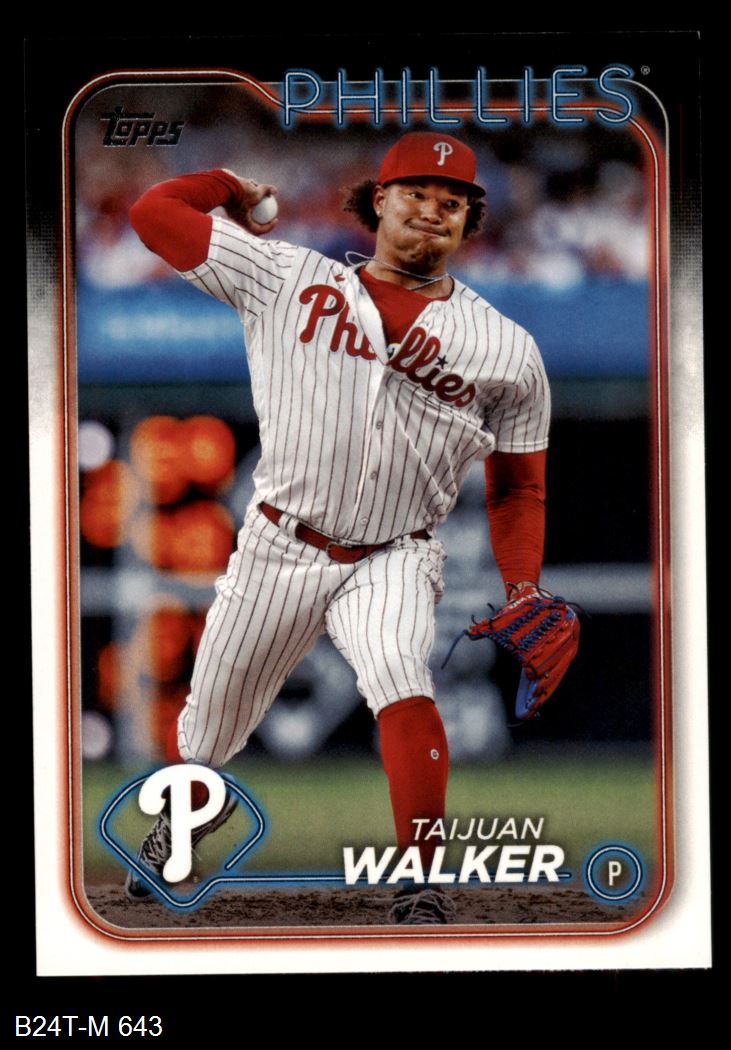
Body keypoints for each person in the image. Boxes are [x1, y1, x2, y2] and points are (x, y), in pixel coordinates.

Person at [125, 131, 550, 924]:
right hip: (279, 542)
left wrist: (523, 584)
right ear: (377, 201)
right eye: (416, 193)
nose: (433, 210)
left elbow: (519, 486)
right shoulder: (285, 276)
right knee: (207, 730)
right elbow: (155, 213)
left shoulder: (507, 349)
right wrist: (231, 184)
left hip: (395, 552)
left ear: (469, 221)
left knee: (400, 675)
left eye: (452, 202)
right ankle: (179, 828)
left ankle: (420, 878)